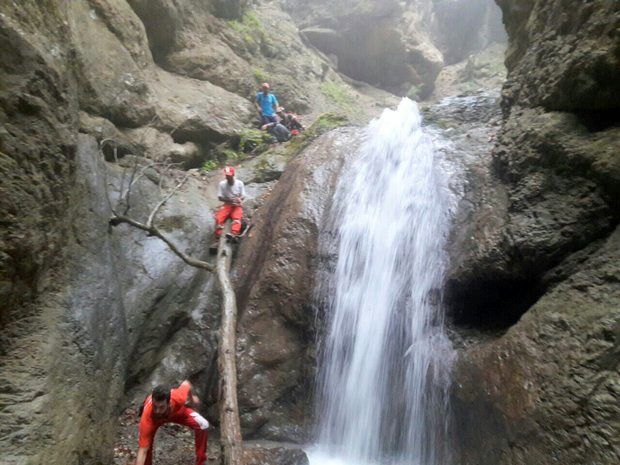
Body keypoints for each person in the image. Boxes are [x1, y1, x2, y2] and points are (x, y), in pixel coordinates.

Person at [135, 380, 209, 465]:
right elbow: (142, 450)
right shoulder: (148, 416)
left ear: (169, 403)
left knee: (203, 424)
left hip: (176, 413)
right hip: (154, 420)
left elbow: (187, 383)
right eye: (155, 407)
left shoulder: (178, 397)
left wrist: (193, 398)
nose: (158, 411)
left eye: (161, 407)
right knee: (146, 447)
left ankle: (201, 462)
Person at [214, 166, 245, 242]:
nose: (228, 177)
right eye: (227, 175)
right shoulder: (222, 184)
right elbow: (220, 197)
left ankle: (234, 234)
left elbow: (243, 195)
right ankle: (219, 235)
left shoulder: (239, 183)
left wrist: (239, 199)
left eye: (229, 175)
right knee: (219, 217)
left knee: (237, 217)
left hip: (237, 205)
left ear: (233, 174)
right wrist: (230, 200)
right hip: (227, 204)